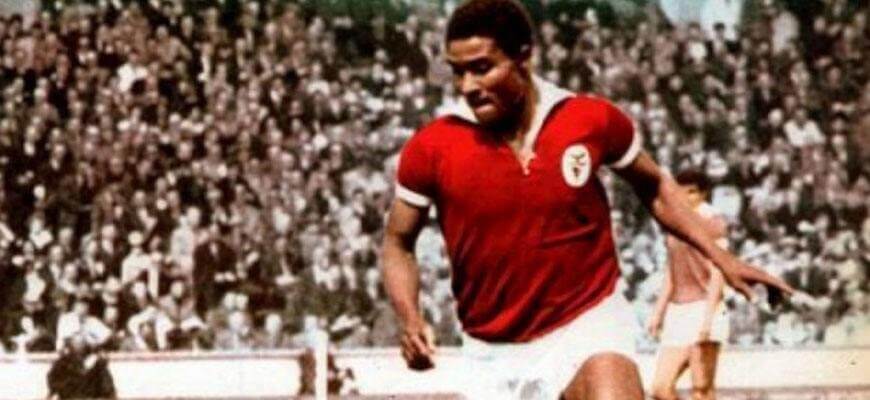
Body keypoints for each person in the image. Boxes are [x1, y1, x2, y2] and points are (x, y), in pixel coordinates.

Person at [381, 1, 793, 399]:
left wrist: (721, 258)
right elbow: (398, 243)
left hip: (586, 322)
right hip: (493, 351)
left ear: (523, 57)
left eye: (482, 68)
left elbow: (654, 186)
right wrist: (410, 318)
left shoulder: (588, 119)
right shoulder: (432, 146)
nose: (467, 86)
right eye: (458, 72)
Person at [647, 170, 729, 400]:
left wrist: (708, 318)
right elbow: (671, 271)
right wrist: (658, 311)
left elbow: (718, 272)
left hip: (705, 306)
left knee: (701, 389)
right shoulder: (674, 222)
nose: (685, 196)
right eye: (680, 191)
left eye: (691, 192)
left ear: (703, 194)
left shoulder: (712, 222)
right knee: (660, 388)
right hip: (678, 310)